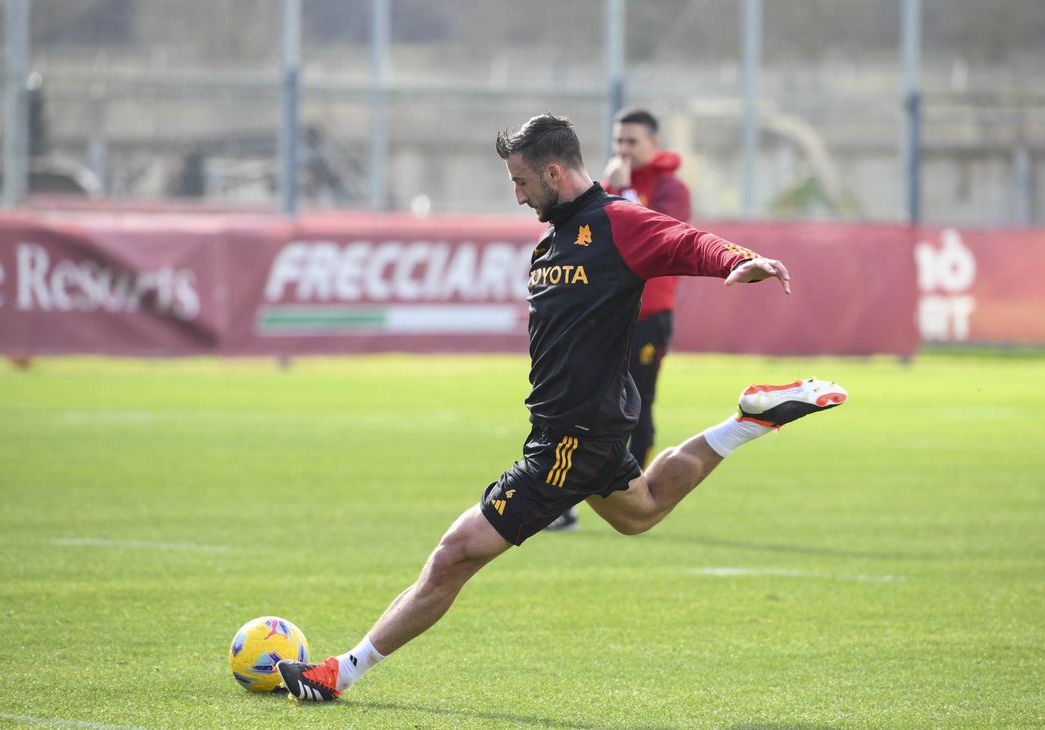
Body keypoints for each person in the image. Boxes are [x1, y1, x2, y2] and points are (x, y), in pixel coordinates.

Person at [276, 113, 847, 703]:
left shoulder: (618, 221)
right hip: (579, 429)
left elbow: (685, 240)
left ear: (553, 171)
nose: (518, 195)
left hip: (569, 439)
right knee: (641, 510)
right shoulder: (553, 238)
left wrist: (736, 261)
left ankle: (337, 675)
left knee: (454, 555)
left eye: (521, 182)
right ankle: (749, 420)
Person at [547, 107, 690, 532]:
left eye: (632, 142)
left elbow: (657, 237)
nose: (623, 150)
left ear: (653, 144)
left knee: (637, 407)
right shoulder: (606, 186)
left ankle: (637, 496)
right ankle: (564, 502)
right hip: (602, 320)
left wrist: (623, 188)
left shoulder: (670, 189)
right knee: (578, 407)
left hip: (648, 315)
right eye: (618, 142)